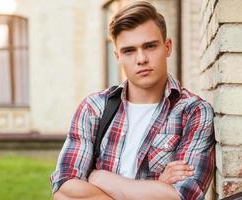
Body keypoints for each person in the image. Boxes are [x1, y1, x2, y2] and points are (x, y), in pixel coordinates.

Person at [50, 1, 215, 200]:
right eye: (129, 50)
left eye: (150, 46)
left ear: (167, 46)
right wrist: (156, 188)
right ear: (118, 56)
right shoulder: (94, 108)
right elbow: (64, 190)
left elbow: (184, 196)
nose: (141, 59)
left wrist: (100, 177)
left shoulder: (193, 112)